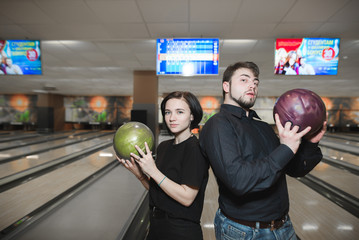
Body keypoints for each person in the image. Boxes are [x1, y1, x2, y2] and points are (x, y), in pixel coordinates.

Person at [199, 61, 326, 240]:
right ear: (226, 86)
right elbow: (238, 181)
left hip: (283, 226)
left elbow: (293, 169)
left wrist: (310, 144)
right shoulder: (218, 125)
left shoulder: (263, 126)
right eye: (244, 80)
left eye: (255, 82)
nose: (252, 85)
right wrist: (286, 148)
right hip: (245, 231)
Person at [117, 91, 209, 240]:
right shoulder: (164, 147)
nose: (172, 118)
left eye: (180, 112)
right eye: (167, 112)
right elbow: (160, 191)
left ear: (192, 116)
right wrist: (141, 176)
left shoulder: (195, 149)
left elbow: (187, 198)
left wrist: (153, 171)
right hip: (156, 226)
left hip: (181, 231)